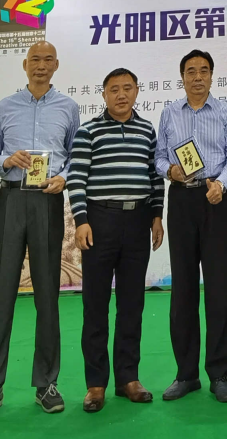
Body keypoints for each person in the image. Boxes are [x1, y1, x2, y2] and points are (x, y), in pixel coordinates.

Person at [0, 42, 81, 422]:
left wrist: (64, 178)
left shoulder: (68, 108)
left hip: (48, 201)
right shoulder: (4, 107)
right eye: (35, 60)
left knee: (47, 295)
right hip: (11, 200)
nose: (41, 66)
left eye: (48, 60)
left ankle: (46, 383)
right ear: (24, 64)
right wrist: (6, 160)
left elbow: (75, 155)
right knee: (1, 296)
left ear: (56, 65)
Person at [66, 68, 165, 413]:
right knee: (95, 305)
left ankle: (128, 378)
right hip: (99, 221)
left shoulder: (147, 130)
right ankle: (95, 384)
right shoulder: (88, 131)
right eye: (114, 89)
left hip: (138, 221)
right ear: (103, 94)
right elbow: (76, 177)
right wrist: (81, 220)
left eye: (127, 88)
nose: (121, 95)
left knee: (132, 303)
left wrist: (157, 215)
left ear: (137, 91)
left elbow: (155, 178)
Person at [155, 50, 227, 403]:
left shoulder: (226, 112)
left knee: (218, 287)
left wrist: (221, 183)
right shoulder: (169, 113)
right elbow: (158, 156)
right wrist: (169, 170)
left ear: (212, 76)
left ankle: (220, 373)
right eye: (191, 71)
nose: (197, 77)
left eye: (203, 71)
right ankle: (186, 374)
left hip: (213, 197)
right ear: (182, 77)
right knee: (184, 289)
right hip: (181, 199)